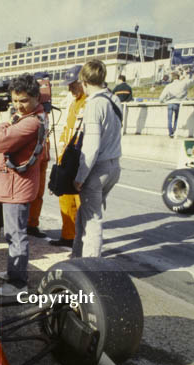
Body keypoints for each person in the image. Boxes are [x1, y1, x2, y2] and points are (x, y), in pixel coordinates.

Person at [0, 74, 48, 297]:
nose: (19, 106)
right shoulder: (33, 116)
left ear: (35, 98)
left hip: (17, 187)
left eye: (24, 101)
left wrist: (5, 121)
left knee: (16, 235)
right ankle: (14, 272)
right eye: (15, 101)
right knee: (13, 233)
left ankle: (18, 283)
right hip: (16, 185)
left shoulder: (30, 122)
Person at [72, 60, 122, 258]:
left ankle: (90, 265)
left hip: (97, 169)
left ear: (84, 82)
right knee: (85, 214)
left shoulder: (94, 104)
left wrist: (80, 176)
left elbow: (91, 147)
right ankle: (76, 257)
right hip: (114, 167)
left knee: (92, 221)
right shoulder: (114, 100)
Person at [51, 65, 86, 248]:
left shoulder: (90, 102)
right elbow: (68, 127)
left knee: (80, 200)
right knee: (64, 195)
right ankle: (67, 234)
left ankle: (81, 238)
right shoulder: (74, 103)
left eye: (72, 85)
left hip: (80, 155)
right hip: (68, 153)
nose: (69, 89)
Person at [159, 72, 194, 138]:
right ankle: (174, 131)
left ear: (172, 78)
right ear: (179, 77)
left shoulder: (169, 86)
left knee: (169, 119)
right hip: (178, 103)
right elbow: (192, 81)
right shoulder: (183, 83)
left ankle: (170, 133)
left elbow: (162, 97)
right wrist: (185, 77)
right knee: (176, 119)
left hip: (170, 103)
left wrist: (161, 101)